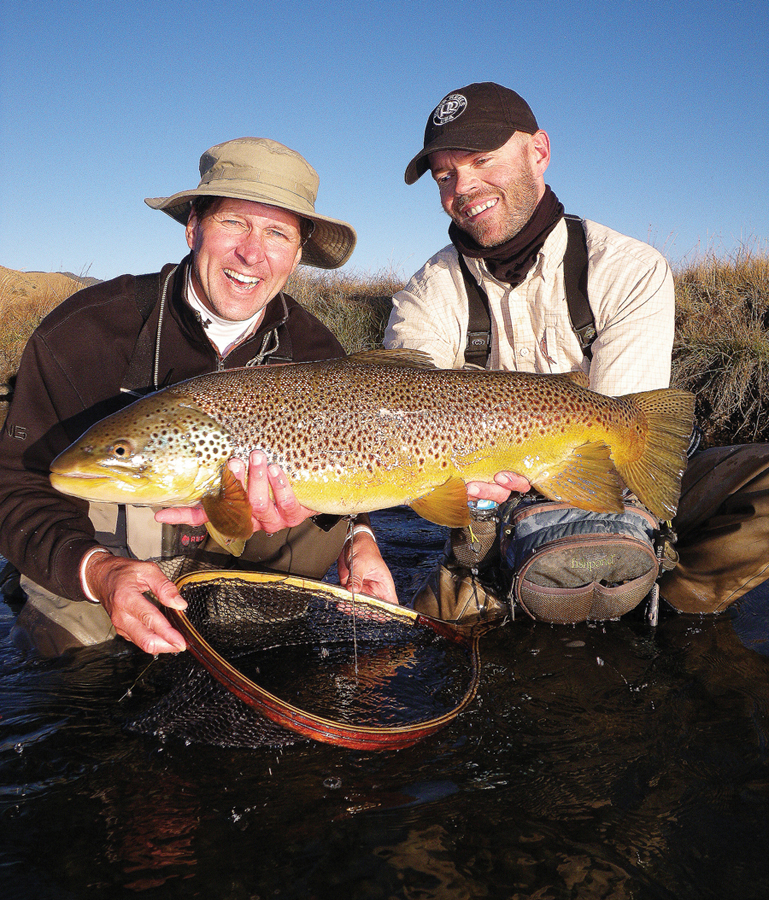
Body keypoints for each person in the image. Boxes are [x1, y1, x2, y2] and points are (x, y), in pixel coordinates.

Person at [386, 82, 769, 621]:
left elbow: (621, 441)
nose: (464, 186)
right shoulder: (426, 294)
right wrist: (470, 494)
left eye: (481, 160)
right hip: (495, 508)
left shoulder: (628, 267)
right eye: (445, 175)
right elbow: (404, 408)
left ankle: (668, 591)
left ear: (538, 152)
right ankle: (535, 585)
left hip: (609, 475)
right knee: (423, 633)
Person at [0, 137, 396, 657]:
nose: (252, 253)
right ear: (193, 227)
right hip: (92, 566)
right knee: (73, 668)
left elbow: (362, 453)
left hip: (242, 584)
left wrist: (358, 538)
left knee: (266, 643)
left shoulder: (317, 351)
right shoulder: (86, 334)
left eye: (277, 232)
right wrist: (98, 571)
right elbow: (17, 483)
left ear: (297, 254)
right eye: (234, 222)